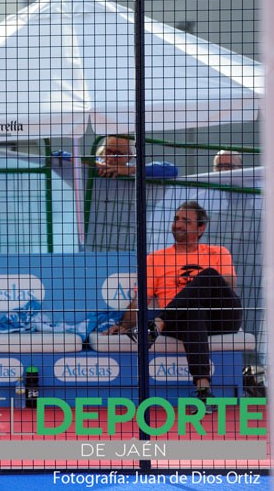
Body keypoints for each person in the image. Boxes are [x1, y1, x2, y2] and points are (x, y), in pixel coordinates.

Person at [103, 201, 242, 413]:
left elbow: (229, 287)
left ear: (200, 228)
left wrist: (199, 285)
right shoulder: (156, 259)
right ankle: (204, 393)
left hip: (222, 316)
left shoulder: (217, 252)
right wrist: (123, 325)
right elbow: (141, 299)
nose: (178, 224)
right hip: (180, 322)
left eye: (186, 221)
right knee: (193, 312)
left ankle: (156, 324)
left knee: (210, 275)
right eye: (177, 219)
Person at [94, 134, 177, 179]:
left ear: (130, 156)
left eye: (118, 154)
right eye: (108, 151)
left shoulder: (130, 170)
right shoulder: (97, 162)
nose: (111, 157)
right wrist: (94, 164)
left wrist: (132, 169)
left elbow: (172, 169)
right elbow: (83, 161)